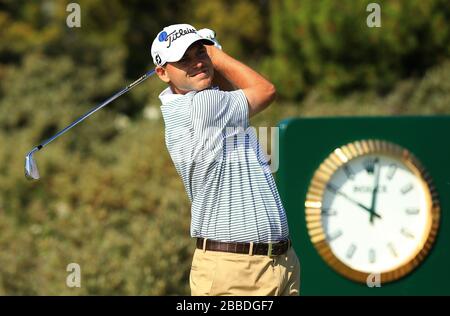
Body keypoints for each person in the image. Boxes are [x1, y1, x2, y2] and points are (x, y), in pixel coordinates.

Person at [151, 24, 300, 296]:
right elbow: (265, 90)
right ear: (162, 73)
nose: (196, 62)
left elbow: (224, 88)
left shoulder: (206, 106)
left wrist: (207, 57)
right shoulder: (202, 108)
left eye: (199, 53)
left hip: (276, 264)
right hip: (236, 273)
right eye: (184, 58)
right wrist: (212, 51)